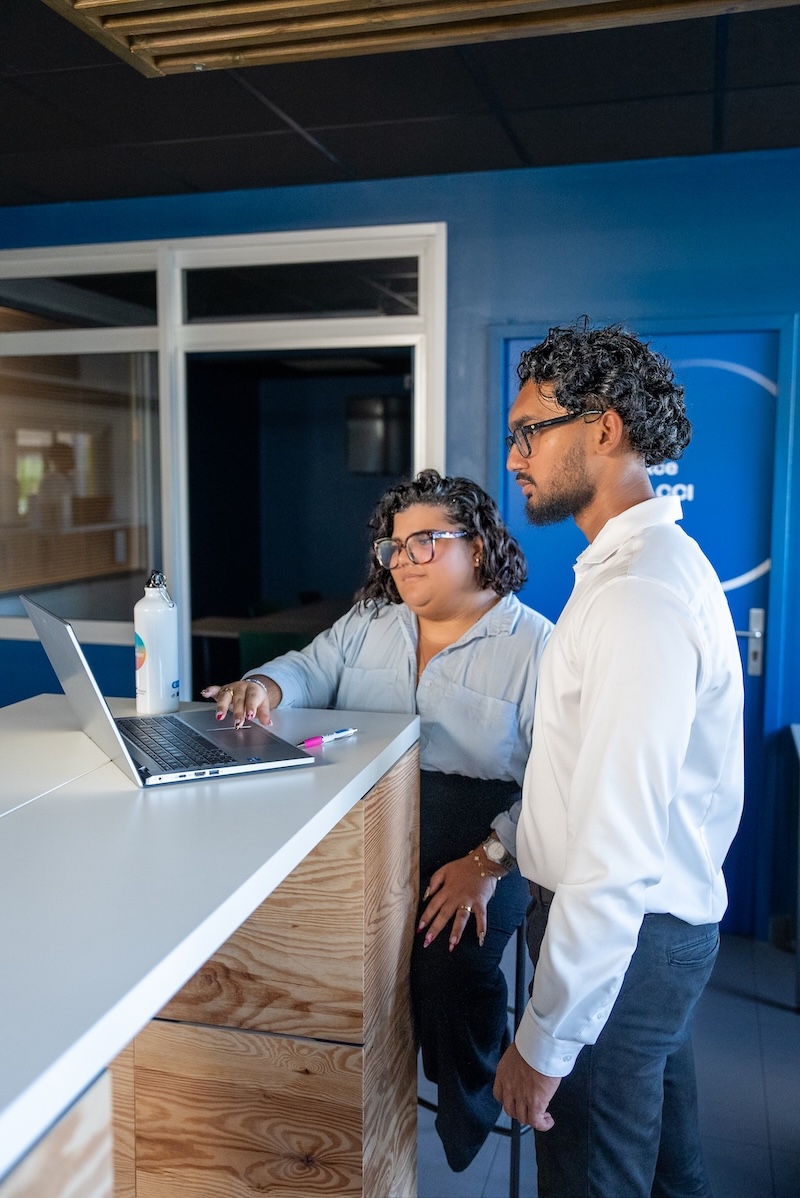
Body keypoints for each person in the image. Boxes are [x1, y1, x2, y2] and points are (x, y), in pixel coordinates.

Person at [202, 469, 552, 1172]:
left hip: (484, 842)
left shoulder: (537, 646)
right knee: (315, 951)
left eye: (426, 541)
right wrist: (267, 685)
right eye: (396, 546)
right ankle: (337, 1103)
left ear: (478, 547)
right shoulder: (370, 624)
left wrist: (487, 862)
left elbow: (555, 783)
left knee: (447, 965)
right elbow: (306, 668)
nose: (404, 559)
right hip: (373, 826)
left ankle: (468, 1100)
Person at [493, 322, 744, 1198]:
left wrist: (544, 1040)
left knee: (596, 1180)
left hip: (622, 950)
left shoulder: (638, 593)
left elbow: (617, 846)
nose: (515, 456)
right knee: (671, 1175)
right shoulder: (628, 571)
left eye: (531, 431)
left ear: (604, 430)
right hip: (645, 945)